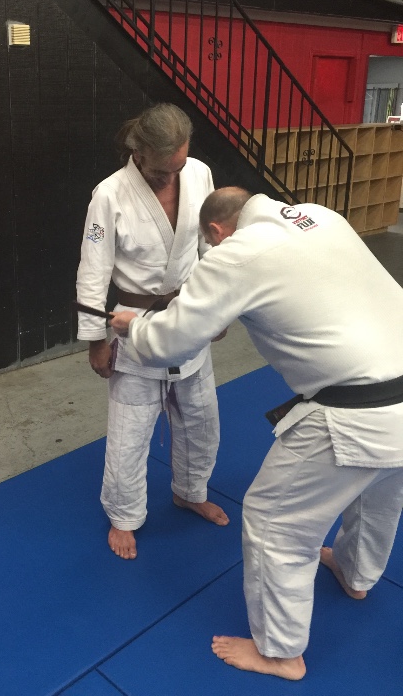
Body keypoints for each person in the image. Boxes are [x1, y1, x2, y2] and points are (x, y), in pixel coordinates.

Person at [111, 186, 403, 680]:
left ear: (217, 232)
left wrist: (132, 327)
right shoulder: (321, 216)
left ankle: (281, 652)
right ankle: (357, 574)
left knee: (274, 523)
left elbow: (170, 342)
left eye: (211, 244)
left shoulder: (236, 255)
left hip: (355, 411)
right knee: (379, 490)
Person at [76, 103, 229, 562]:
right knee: (131, 430)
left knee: (201, 419)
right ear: (138, 152)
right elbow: (93, 272)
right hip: (133, 323)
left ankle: (190, 490)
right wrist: (96, 341)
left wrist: (216, 309)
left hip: (187, 315)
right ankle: (124, 515)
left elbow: (211, 246)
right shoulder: (109, 195)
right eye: (162, 170)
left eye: (177, 167)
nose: (171, 177)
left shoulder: (199, 174)